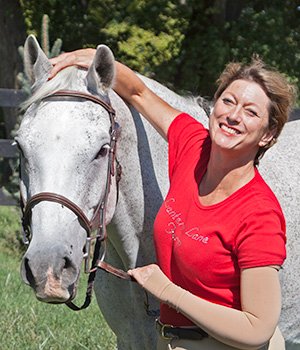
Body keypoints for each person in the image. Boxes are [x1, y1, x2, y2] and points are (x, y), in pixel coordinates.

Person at [49, 50, 296, 350]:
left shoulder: (258, 213)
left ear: (268, 134)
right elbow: (139, 93)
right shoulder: (193, 147)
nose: (233, 115)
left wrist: (168, 291)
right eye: (228, 101)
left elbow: (257, 328)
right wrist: (92, 56)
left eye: (251, 112)